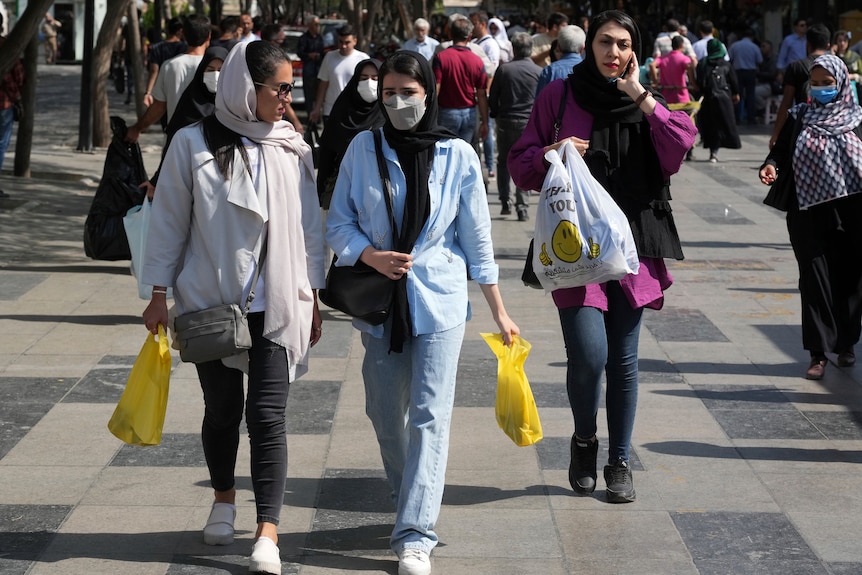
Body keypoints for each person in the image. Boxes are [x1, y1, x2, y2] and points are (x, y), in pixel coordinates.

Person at [325, 50, 519, 575]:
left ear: (428, 93)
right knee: (385, 415)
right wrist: (371, 255)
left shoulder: (458, 154)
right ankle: (411, 491)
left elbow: (477, 239)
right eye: (388, 92)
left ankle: (415, 532)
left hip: (440, 300)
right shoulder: (362, 148)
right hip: (381, 304)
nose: (397, 102)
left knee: (432, 417)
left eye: (408, 92)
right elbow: (338, 223)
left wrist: (499, 311)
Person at [141, 41, 325, 575]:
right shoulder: (191, 143)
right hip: (211, 302)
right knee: (222, 412)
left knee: (267, 417)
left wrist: (313, 295)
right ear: (249, 89)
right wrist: (157, 293)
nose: (289, 99)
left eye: (292, 87)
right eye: (281, 89)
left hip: (279, 301)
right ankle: (224, 499)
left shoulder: (292, 145)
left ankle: (267, 530)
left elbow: (311, 228)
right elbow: (169, 222)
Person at [509, 10, 696, 504]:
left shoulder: (645, 98)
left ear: (634, 51)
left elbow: (681, 145)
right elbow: (519, 165)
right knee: (589, 357)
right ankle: (585, 440)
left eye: (623, 44)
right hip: (579, 247)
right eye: (605, 43)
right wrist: (555, 151)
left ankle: (619, 460)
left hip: (635, 243)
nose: (613, 52)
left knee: (624, 360)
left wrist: (638, 93)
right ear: (589, 46)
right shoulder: (560, 94)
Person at [758, 54, 862, 380]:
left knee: (849, 279)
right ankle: (818, 354)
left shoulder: (858, 119)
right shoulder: (801, 116)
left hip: (852, 213)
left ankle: (846, 344)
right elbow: (780, 148)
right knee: (814, 280)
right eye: (814, 84)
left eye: (826, 84)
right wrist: (771, 164)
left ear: (842, 83)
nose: (819, 90)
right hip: (807, 212)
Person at [146, 46, 228, 193]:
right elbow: (172, 145)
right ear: (201, 71)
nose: (215, 75)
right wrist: (156, 181)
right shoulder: (189, 105)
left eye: (221, 70)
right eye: (210, 70)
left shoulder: (235, 106)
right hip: (189, 184)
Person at [125, 14, 211, 143]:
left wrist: (138, 128)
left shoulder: (170, 66)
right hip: (207, 140)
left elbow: (159, 107)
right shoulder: (216, 68)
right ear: (209, 36)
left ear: (184, 35)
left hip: (176, 140)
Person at [316, 58, 385, 210]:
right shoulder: (343, 108)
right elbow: (327, 153)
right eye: (363, 78)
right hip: (342, 189)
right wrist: (320, 191)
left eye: (375, 78)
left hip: (379, 192)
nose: (369, 83)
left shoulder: (387, 111)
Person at [489, 32, 541, 220]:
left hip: (506, 121)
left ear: (514, 49)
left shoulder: (504, 70)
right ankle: (522, 206)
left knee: (503, 161)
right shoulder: (538, 71)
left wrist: (494, 113)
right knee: (525, 162)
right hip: (528, 123)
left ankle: (505, 201)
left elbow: (493, 97)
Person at [769, 23, 831, 149]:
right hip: (831, 126)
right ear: (828, 45)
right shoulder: (836, 67)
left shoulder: (796, 67)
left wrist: (776, 134)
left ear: (807, 44)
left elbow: (786, 103)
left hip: (803, 128)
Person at [433, 17, 488, 145]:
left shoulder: (441, 58)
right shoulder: (477, 61)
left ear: (450, 34)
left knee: (446, 154)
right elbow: (481, 94)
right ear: (469, 37)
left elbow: (436, 88)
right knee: (465, 154)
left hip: (446, 112)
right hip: (470, 113)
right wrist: (484, 122)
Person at [310, 25, 370, 125]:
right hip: (331, 111)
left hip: (354, 112)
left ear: (355, 41)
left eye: (347, 42)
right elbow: (323, 85)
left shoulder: (363, 59)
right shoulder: (329, 57)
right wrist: (316, 109)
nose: (343, 46)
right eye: (340, 42)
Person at [695, 39, 741, 162]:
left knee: (711, 125)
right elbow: (733, 80)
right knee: (723, 124)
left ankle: (712, 151)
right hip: (724, 99)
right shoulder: (726, 64)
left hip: (708, 98)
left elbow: (699, 82)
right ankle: (716, 151)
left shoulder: (703, 63)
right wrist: (736, 93)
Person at [0, 15, 23, 199]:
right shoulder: (6, 47)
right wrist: (16, 97)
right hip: (3, 103)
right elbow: (16, 77)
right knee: (0, 144)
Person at [144, 17, 187, 108]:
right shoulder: (185, 48)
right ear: (181, 30)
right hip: (180, 88)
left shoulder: (156, 48)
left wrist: (148, 92)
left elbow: (153, 71)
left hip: (161, 89)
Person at [535, 24, 585, 95]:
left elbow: (540, 102)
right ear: (582, 48)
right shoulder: (593, 71)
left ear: (558, 46)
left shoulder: (549, 70)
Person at [728, 28, 762, 124]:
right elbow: (760, 60)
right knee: (751, 95)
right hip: (751, 72)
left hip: (738, 72)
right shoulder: (755, 47)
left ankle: (737, 118)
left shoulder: (735, 46)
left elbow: (729, 58)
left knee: (738, 95)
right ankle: (751, 118)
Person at [649, 34, 695, 104]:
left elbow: (652, 65)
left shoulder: (662, 59)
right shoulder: (684, 59)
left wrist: (655, 82)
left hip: (666, 98)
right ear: (682, 45)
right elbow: (689, 67)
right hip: (681, 99)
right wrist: (693, 82)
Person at [297, 16, 324, 117]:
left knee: (319, 94)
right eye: (315, 24)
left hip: (319, 70)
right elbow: (300, 52)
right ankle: (310, 116)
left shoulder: (320, 38)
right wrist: (309, 55)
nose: (317, 26)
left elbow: (323, 51)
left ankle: (318, 116)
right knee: (309, 95)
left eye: (318, 24)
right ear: (309, 25)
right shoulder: (304, 38)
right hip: (309, 70)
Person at [833, 30, 861, 100]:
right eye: (839, 41)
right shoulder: (833, 56)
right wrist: (832, 53)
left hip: (853, 86)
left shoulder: (854, 57)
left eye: (845, 41)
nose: (842, 43)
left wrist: (853, 76)